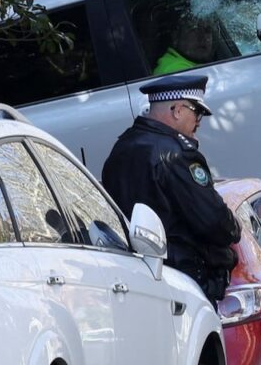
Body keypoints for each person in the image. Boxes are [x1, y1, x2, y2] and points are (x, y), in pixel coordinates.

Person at [102, 73, 240, 302]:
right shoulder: (176, 154)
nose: (198, 122)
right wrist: (235, 226)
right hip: (181, 282)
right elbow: (213, 221)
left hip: (134, 279)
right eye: (197, 113)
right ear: (177, 110)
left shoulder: (122, 148)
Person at [151, 20, 216, 74]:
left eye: (207, 30)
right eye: (194, 29)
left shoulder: (195, 64)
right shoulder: (175, 70)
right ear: (175, 36)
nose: (203, 37)